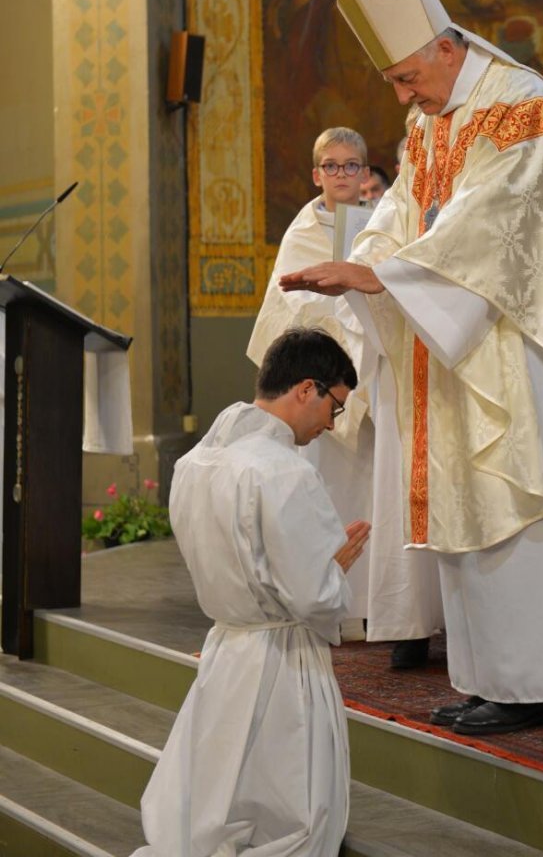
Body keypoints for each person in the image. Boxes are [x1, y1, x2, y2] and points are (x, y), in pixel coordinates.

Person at [280, 0, 543, 736]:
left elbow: (499, 220)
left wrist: (387, 275)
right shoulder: (429, 119)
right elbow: (401, 209)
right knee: (466, 504)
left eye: (409, 77)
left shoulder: (523, 106)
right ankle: (491, 677)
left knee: (511, 499)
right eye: (394, 84)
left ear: (448, 48)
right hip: (450, 341)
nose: (403, 96)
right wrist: (366, 263)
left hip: (518, 347)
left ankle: (535, 681)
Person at [132, 327, 370, 857]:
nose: (331, 426)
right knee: (291, 812)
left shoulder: (192, 465)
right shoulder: (286, 472)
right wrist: (335, 572)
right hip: (282, 661)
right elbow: (312, 598)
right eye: (335, 408)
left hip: (225, 650)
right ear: (306, 389)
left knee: (218, 790)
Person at [247, 127, 373, 634]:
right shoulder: (303, 230)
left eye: (351, 165)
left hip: (370, 370)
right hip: (320, 379)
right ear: (316, 173)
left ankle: (372, 607)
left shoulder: (380, 223)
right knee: (325, 489)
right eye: (332, 165)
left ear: (364, 173)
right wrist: (348, 300)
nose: (341, 174)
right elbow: (296, 300)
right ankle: (330, 607)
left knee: (369, 488)